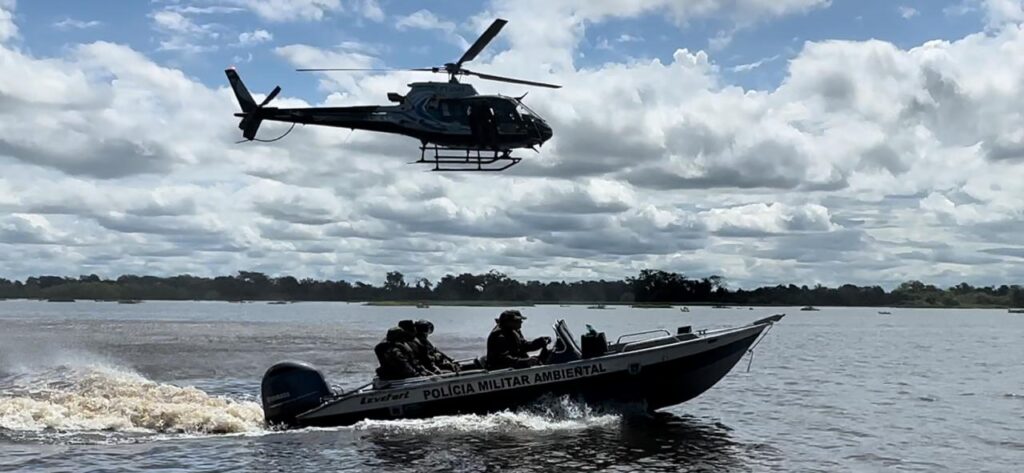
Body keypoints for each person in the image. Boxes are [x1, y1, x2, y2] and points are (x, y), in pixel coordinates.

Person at [485, 310, 550, 370]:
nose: (520, 323)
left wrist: (540, 342)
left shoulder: (513, 331)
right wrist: (526, 361)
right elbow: (504, 359)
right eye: (517, 321)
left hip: (512, 366)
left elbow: (524, 346)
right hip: (501, 370)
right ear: (508, 322)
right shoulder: (499, 337)